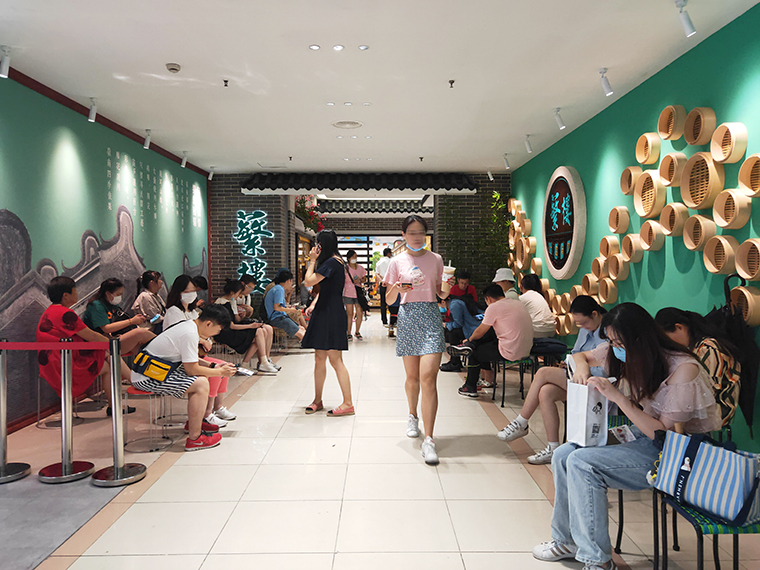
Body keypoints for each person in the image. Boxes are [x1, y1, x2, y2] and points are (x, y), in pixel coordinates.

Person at [533, 303, 721, 570]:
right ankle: (566, 540)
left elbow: (662, 434)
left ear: (640, 339)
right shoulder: (622, 351)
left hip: (676, 452)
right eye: (610, 341)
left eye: (618, 343)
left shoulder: (683, 368)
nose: (614, 348)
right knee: (564, 454)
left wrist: (618, 398)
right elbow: (580, 356)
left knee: (582, 463)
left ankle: (597, 560)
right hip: (642, 435)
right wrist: (583, 371)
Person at [497, 296, 607, 464]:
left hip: (599, 382)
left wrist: (580, 366)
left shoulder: (609, 331)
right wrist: (568, 363)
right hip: (578, 379)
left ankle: (521, 422)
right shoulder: (586, 328)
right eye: (579, 324)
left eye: (584, 323)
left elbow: (605, 367)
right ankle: (553, 448)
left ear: (594, 314)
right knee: (546, 392)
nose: (583, 327)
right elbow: (576, 353)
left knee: (543, 372)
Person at [384, 214, 454, 465]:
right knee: (412, 378)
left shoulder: (436, 259)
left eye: (420, 232)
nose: (416, 236)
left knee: (428, 378)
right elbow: (389, 299)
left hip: (431, 317)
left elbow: (441, 294)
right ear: (403, 235)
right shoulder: (396, 261)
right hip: (408, 317)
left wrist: (448, 285)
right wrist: (397, 288)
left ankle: (430, 439)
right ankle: (412, 415)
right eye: (411, 232)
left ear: (426, 234)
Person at [131, 305, 239, 451]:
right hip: (147, 377)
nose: (216, 334)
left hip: (158, 370)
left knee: (203, 377)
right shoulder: (189, 334)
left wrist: (213, 366)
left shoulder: (189, 326)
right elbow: (192, 369)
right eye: (218, 330)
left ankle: (195, 423)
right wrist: (220, 372)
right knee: (200, 384)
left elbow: (190, 359)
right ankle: (195, 439)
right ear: (208, 324)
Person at [37, 276, 134, 416]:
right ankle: (129, 390)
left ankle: (126, 392)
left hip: (55, 361)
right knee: (109, 359)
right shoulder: (65, 313)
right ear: (65, 295)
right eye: (75, 290)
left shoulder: (50, 311)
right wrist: (111, 343)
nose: (77, 293)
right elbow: (91, 335)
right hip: (63, 364)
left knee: (108, 358)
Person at [164, 275, 239, 425]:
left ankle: (218, 407)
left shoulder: (193, 311)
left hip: (193, 353)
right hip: (178, 357)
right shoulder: (173, 312)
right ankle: (206, 413)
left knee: (223, 365)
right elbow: (179, 335)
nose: (191, 294)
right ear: (179, 292)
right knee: (215, 371)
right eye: (187, 291)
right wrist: (202, 340)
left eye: (193, 291)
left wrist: (205, 340)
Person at [655, 307, 741, 427]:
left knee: (664, 421)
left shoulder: (708, 348)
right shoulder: (695, 348)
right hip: (705, 408)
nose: (669, 345)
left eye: (667, 339)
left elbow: (709, 391)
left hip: (718, 412)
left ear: (679, 327)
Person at [302, 229, 354, 416]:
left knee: (335, 359)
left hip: (331, 313)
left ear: (321, 245)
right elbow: (327, 290)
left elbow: (308, 282)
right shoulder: (335, 262)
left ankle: (348, 403)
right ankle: (317, 400)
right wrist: (314, 304)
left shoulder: (332, 262)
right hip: (325, 311)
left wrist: (312, 261)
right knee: (319, 358)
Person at [449, 283, 533, 397]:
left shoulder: (494, 307)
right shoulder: (518, 303)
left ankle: (470, 386)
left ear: (488, 299)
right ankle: (470, 345)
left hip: (510, 352)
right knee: (489, 335)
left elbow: (480, 331)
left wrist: (469, 339)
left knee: (474, 353)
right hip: (526, 350)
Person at [216, 279, 278, 372]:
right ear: (232, 292)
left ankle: (262, 361)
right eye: (238, 293)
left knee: (261, 332)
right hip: (226, 333)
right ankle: (261, 362)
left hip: (233, 329)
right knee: (258, 332)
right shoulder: (223, 304)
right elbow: (231, 325)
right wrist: (250, 326)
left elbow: (236, 320)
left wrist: (246, 314)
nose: (239, 296)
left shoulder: (229, 301)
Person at [82, 278, 156, 354]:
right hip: (100, 343)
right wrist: (131, 321)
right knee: (140, 333)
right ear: (108, 294)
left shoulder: (113, 305)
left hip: (113, 338)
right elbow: (106, 328)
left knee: (142, 348)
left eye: (121, 294)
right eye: (118, 294)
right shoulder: (96, 306)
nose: (120, 297)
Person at [264, 270, 306, 340]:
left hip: (280, 317)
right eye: (291, 281)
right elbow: (277, 307)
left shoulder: (277, 288)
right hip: (278, 318)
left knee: (301, 329)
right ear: (288, 281)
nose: (291, 284)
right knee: (301, 333)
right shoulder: (279, 289)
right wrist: (290, 310)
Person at [519, 273, 556, 338]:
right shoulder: (540, 296)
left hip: (537, 330)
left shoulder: (522, 298)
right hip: (552, 329)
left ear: (521, 286)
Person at [343, 249, 368, 340]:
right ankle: (348, 333)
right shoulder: (345, 269)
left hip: (358, 293)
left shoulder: (360, 268)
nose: (355, 258)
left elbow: (365, 278)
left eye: (356, 256)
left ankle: (357, 332)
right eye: (353, 257)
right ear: (348, 258)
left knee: (359, 313)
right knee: (349, 314)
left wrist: (361, 280)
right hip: (348, 292)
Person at [375, 248, 392, 326]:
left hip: (382, 284)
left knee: (383, 302)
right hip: (390, 284)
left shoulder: (379, 262)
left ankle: (384, 321)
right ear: (388, 253)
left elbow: (377, 274)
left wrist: (382, 281)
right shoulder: (391, 261)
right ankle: (392, 320)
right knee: (392, 301)